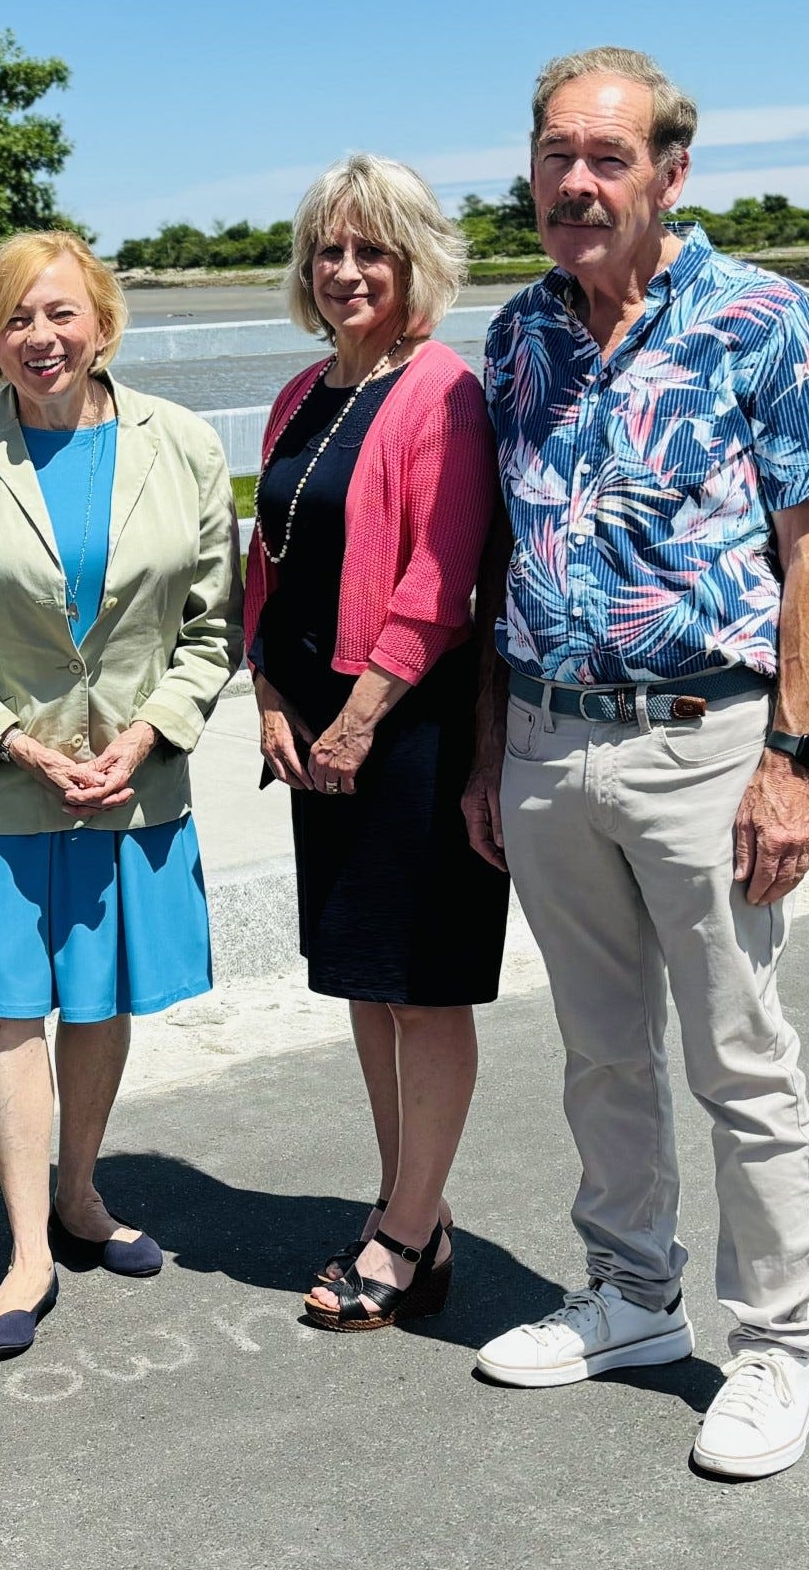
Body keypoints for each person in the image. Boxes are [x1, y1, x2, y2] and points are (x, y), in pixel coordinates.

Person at [462, 48, 809, 1479]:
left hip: (708, 744)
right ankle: (631, 1295)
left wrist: (792, 759)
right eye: (556, 154)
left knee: (744, 1060)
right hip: (548, 739)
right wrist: (488, 746)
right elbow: (498, 554)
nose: (577, 181)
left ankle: (778, 1349)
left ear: (668, 175)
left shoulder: (760, 319)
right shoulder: (516, 336)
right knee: (599, 1050)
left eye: (608, 157)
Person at [0, 230, 243, 1357]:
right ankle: (28, 1245)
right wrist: (17, 744)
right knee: (10, 1006)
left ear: (103, 324)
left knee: (98, 999)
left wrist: (147, 734)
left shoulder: (180, 444)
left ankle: (81, 1189)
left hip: (130, 785)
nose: (41, 338)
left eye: (61, 315)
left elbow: (213, 630)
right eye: (16, 320)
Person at [243, 156, 509, 1333]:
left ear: (416, 264)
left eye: (372, 251)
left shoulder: (444, 389)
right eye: (329, 251)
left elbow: (442, 582)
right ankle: (410, 1207)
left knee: (422, 987)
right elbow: (272, 559)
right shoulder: (304, 392)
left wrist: (357, 720)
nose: (346, 271)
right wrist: (266, 692)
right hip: (312, 735)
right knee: (360, 979)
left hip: (407, 733)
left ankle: (404, 1230)